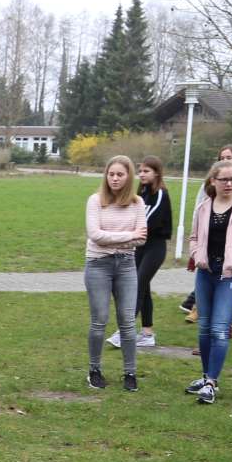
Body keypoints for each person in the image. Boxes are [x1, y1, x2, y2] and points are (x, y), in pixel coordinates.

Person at [184, 158, 232, 405]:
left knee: (220, 329)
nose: (229, 184)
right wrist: (197, 255)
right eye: (224, 179)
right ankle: (206, 375)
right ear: (213, 181)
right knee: (205, 327)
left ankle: (211, 383)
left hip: (231, 276)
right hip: (206, 274)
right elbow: (194, 237)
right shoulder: (203, 208)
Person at [83, 155, 146, 391]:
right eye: (111, 174)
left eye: (120, 174)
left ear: (129, 176)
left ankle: (130, 373)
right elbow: (95, 235)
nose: (115, 179)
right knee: (99, 320)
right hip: (98, 265)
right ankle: (94, 370)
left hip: (127, 265)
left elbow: (142, 239)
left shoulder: (137, 203)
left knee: (128, 322)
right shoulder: (95, 201)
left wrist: (120, 239)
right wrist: (128, 236)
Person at [182, 144, 232, 323]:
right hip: (210, 247)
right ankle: (199, 311)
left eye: (229, 157)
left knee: (221, 319)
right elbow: (199, 209)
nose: (225, 160)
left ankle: (223, 324)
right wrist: (196, 249)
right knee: (207, 319)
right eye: (222, 158)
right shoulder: (211, 183)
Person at [107, 155, 170, 350]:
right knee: (144, 288)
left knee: (137, 285)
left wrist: (127, 232)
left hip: (155, 247)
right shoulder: (142, 192)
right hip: (140, 246)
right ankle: (147, 334)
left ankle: (124, 332)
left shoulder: (160, 194)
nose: (141, 174)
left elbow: (146, 222)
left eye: (146, 171)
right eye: (140, 170)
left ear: (157, 173)